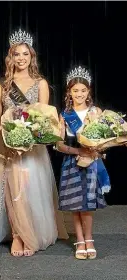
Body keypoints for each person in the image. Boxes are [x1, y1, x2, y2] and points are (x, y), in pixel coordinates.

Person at [0, 28, 68, 257]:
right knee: (9, 188)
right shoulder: (1, 83)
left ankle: (29, 229)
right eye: (16, 54)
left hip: (32, 145)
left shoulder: (40, 83)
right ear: (10, 57)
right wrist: (12, 131)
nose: (21, 58)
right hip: (6, 142)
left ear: (32, 57)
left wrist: (29, 135)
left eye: (25, 54)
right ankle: (18, 235)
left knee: (28, 190)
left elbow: (44, 116)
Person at [56, 66, 111, 260]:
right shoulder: (64, 115)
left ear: (89, 91)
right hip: (71, 162)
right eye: (75, 90)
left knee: (87, 204)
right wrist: (78, 150)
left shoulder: (96, 112)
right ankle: (79, 240)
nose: (79, 94)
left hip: (91, 163)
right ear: (69, 93)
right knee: (75, 203)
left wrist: (98, 148)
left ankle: (89, 239)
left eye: (83, 90)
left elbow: (105, 137)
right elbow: (59, 144)